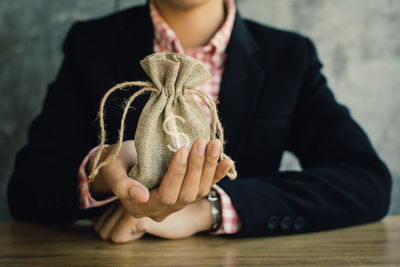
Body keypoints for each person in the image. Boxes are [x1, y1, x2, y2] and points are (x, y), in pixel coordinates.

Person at [8, 0, 392, 243]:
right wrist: (102, 170)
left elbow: (365, 181)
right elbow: (25, 188)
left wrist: (207, 210)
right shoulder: (92, 43)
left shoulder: (288, 57)